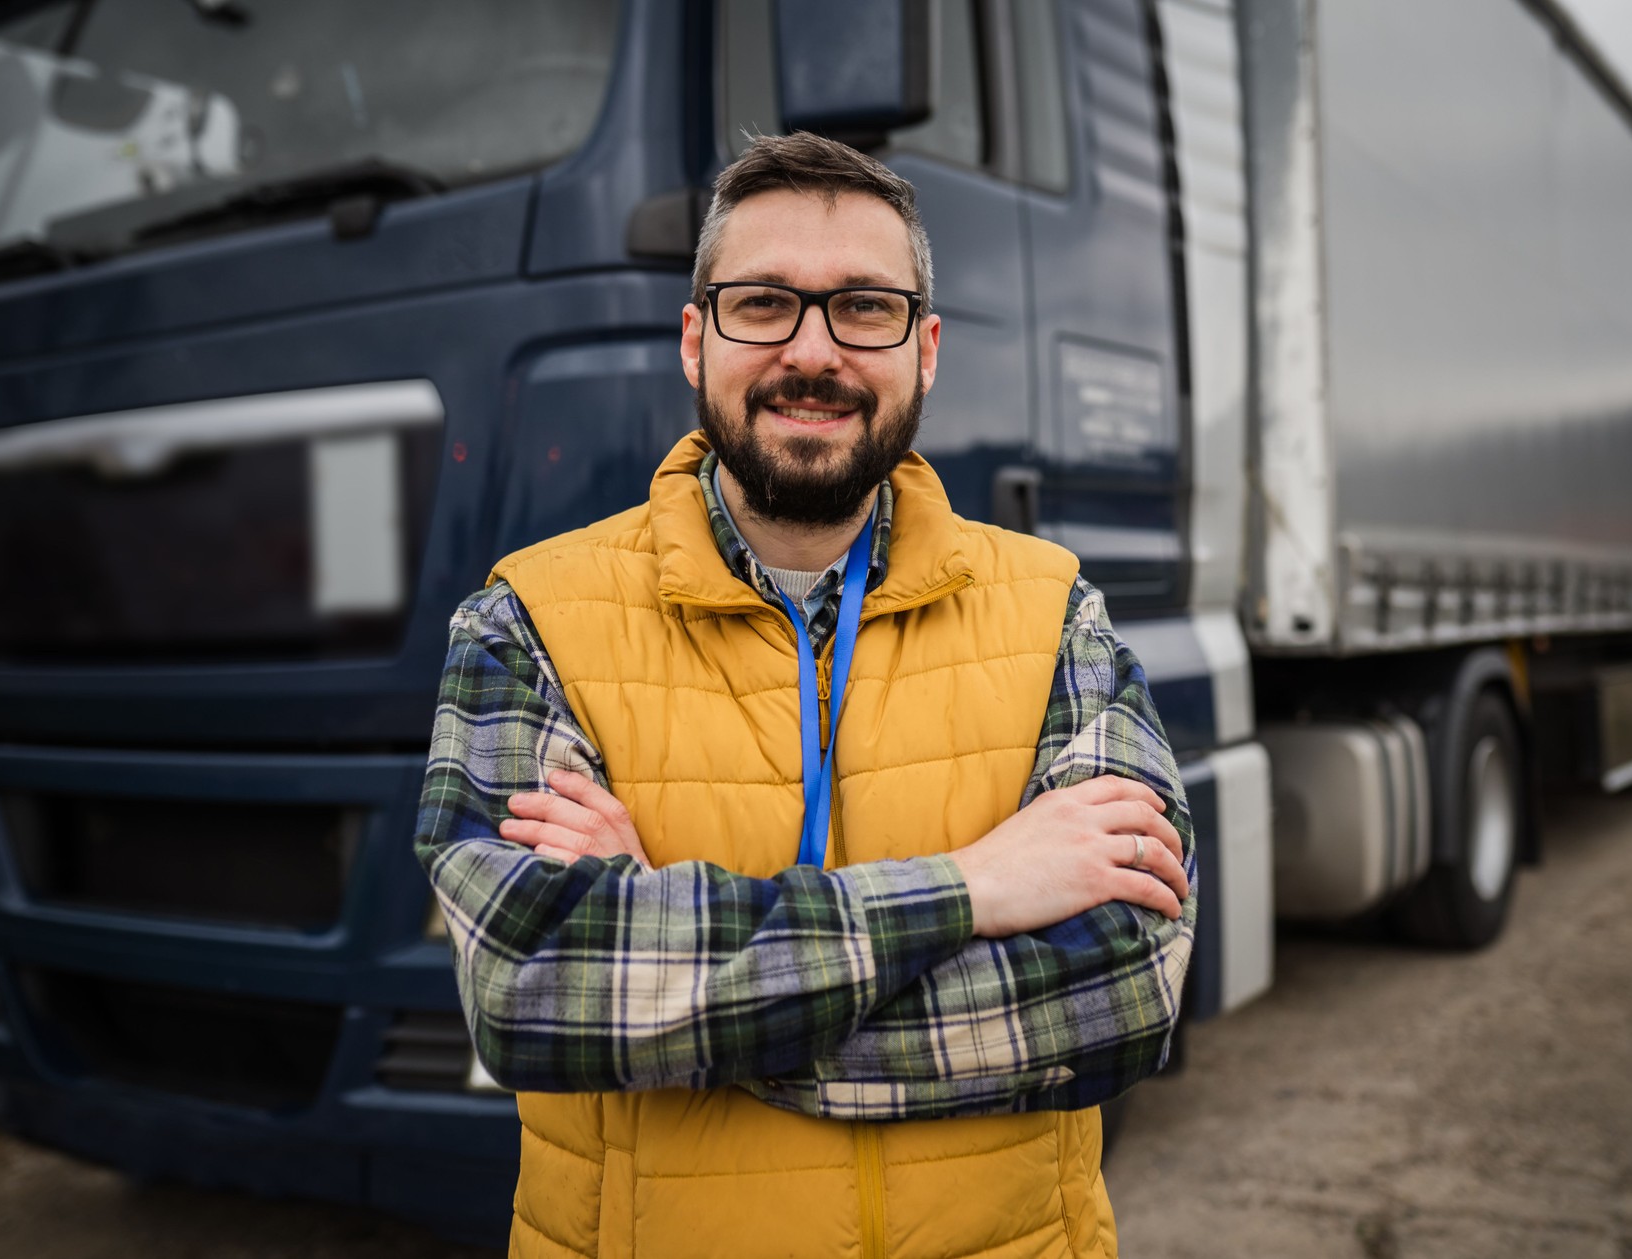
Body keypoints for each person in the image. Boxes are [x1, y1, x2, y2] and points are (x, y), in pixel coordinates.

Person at [416, 132, 1195, 1259]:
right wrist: (972, 887)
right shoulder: (529, 620)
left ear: (926, 348)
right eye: (765, 303)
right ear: (696, 339)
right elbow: (533, 989)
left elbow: (1124, 990)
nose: (812, 350)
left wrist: (681, 993)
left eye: (864, 308)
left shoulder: (1053, 611)